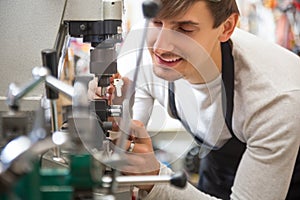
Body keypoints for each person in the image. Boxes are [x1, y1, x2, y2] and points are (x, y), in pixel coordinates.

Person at [89, 0, 300, 199]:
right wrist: (115, 113)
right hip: (217, 169)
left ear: (226, 28)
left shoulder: (274, 99)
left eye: (184, 29)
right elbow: (126, 144)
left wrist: (155, 177)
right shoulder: (144, 53)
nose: (161, 46)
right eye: (157, 22)